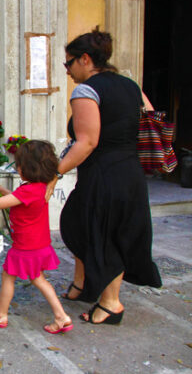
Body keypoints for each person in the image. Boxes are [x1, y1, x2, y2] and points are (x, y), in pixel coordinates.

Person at [52, 26, 162, 324]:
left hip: (102, 173)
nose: (68, 70)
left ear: (85, 59)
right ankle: (83, 284)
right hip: (130, 171)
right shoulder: (132, 86)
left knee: (102, 232)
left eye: (69, 63)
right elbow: (150, 122)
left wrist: (53, 174)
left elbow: (87, 141)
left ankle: (111, 303)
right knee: (82, 222)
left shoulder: (86, 90)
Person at [0, 140, 73, 334]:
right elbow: (21, 202)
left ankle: (0, 315)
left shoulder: (27, 190)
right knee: (38, 278)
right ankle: (61, 316)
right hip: (39, 244)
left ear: (26, 168)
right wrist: (6, 193)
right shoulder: (40, 187)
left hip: (25, 247)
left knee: (9, 275)